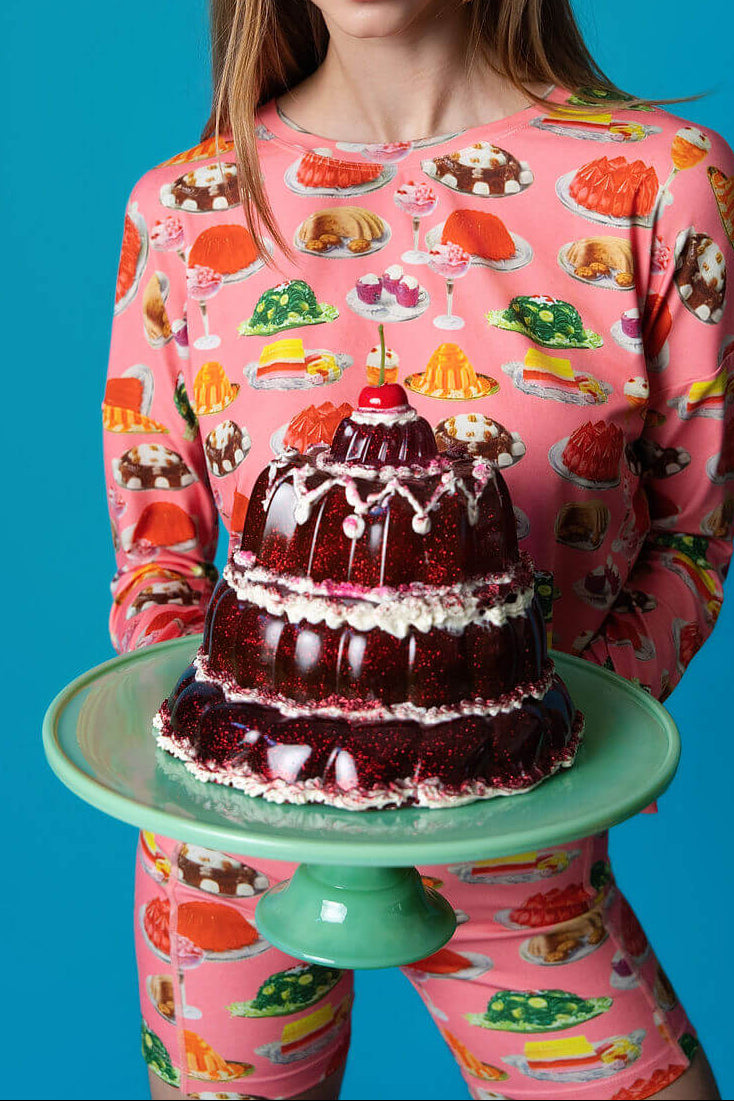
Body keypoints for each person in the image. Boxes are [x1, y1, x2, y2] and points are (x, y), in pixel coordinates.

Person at [104, 0, 734, 1097]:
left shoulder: (662, 180)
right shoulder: (184, 207)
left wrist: (542, 761)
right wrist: (223, 776)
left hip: (523, 855)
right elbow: (158, 560)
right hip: (228, 857)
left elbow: (693, 530)